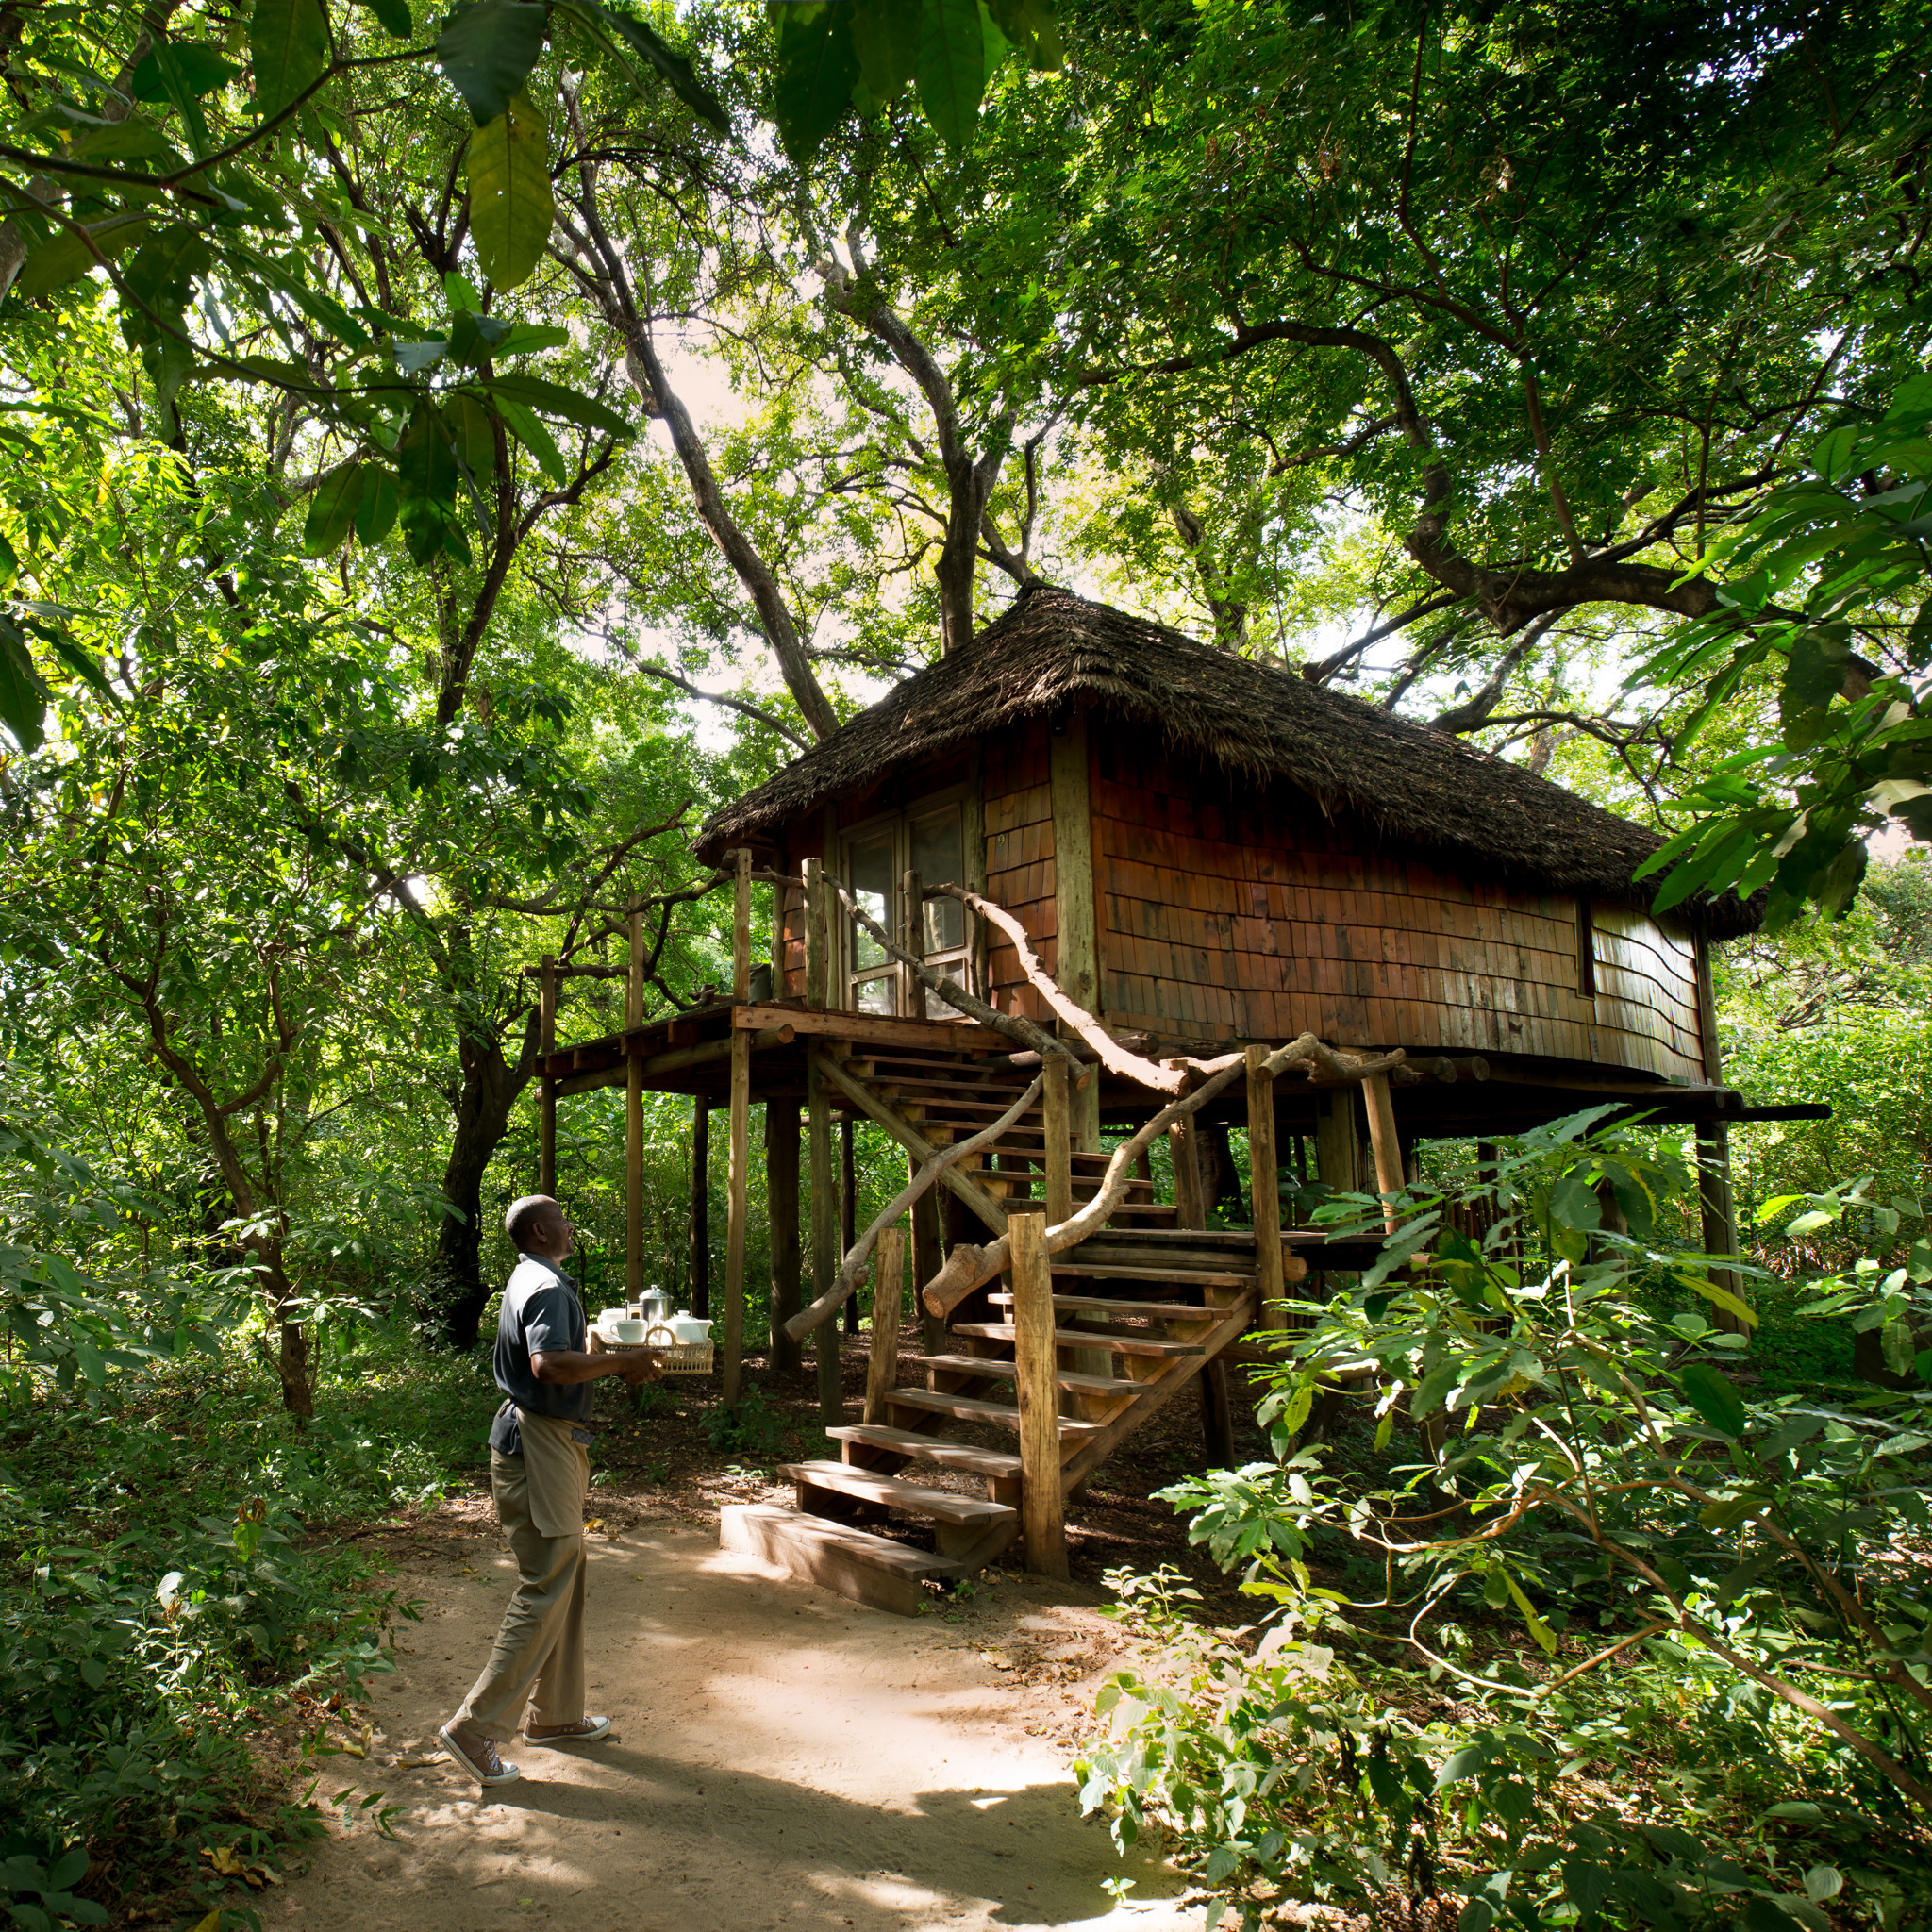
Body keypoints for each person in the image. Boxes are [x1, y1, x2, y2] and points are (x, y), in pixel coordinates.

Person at [440, 1193, 661, 1788]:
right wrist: (622, 1363)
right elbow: (546, 1367)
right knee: (547, 1583)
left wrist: (598, 1345)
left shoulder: (532, 1277)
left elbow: (556, 1356)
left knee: (568, 1570)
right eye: (561, 1218)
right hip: (539, 1445)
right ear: (541, 1231)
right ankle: (474, 1729)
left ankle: (556, 1717)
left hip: (545, 1442)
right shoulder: (547, 1286)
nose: (569, 1225)